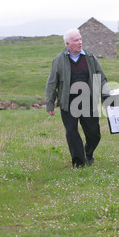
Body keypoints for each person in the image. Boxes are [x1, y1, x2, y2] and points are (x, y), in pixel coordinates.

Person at [46, 29, 109, 168]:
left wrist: (106, 98)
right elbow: (51, 83)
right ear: (67, 44)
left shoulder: (90, 58)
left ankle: (89, 152)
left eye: (80, 39)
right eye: (76, 40)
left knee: (94, 134)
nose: (80, 42)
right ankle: (78, 163)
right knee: (72, 133)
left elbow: (101, 79)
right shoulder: (58, 60)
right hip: (68, 103)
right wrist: (50, 104)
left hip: (88, 102)